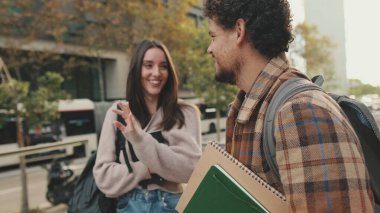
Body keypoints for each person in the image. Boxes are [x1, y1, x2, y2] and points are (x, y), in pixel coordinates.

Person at [203, 0, 374, 212]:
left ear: (239, 31)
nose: (209, 49)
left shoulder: (301, 112)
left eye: (213, 36)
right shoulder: (249, 109)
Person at [93, 39, 202, 213]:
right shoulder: (118, 112)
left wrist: (138, 138)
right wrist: (148, 168)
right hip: (130, 205)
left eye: (163, 66)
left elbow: (191, 169)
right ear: (137, 69)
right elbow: (104, 178)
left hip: (173, 204)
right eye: (148, 65)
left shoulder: (185, 113)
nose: (156, 73)